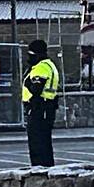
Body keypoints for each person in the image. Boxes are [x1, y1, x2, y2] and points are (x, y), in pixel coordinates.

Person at [22, 39, 60, 167]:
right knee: (44, 142)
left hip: (39, 108)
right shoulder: (50, 65)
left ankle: (39, 169)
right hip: (46, 107)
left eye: (31, 55)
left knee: (37, 143)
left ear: (37, 55)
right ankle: (46, 167)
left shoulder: (41, 67)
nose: (29, 58)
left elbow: (36, 89)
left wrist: (27, 82)